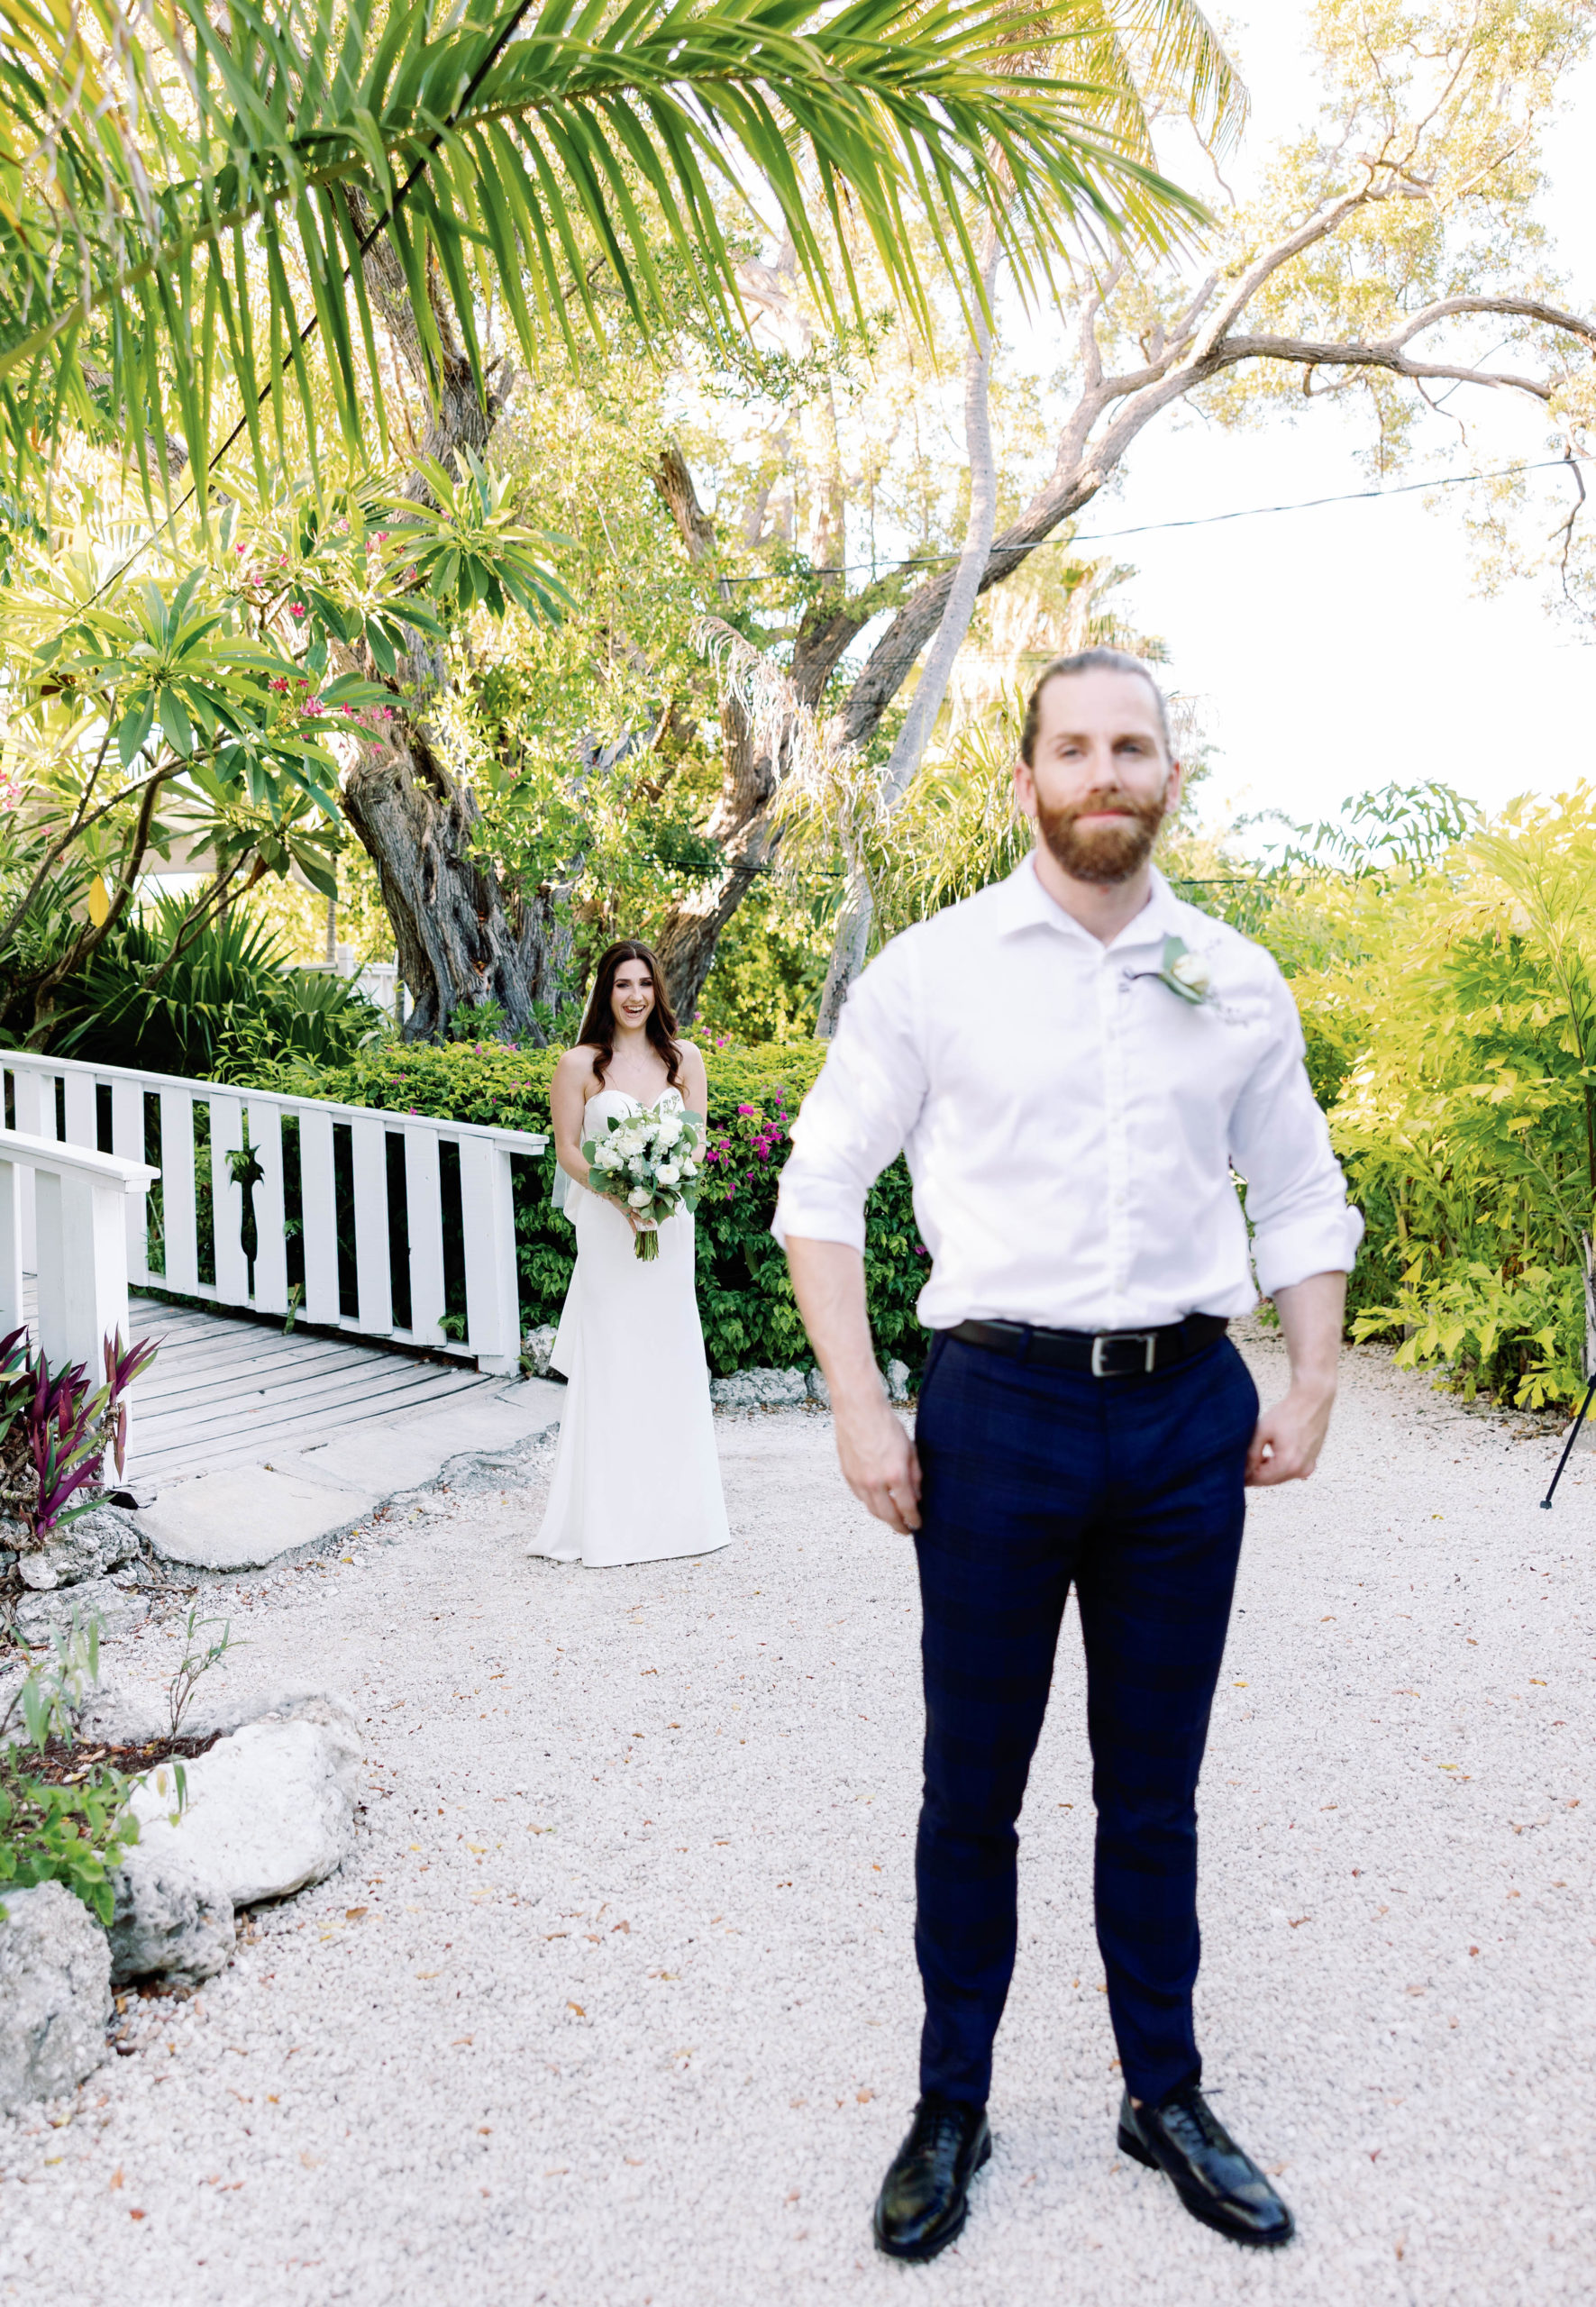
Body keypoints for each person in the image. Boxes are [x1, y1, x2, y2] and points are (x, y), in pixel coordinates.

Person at [775, 648, 1363, 2263]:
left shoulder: (1234, 977)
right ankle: (950, 2099)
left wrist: (1305, 1378)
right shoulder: (934, 972)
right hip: (998, 1415)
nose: (1105, 772)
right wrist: (859, 1405)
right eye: (1075, 748)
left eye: (1135, 747)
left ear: (1173, 775)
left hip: (1186, 1415)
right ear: (1025, 778)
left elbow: (1302, 1197)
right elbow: (820, 1189)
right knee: (971, 1788)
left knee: (1152, 1789)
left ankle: (1158, 2088)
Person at [529, 940, 730, 1569]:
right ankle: (610, 1527)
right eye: (622, 984)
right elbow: (568, 1151)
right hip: (608, 1230)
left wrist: (661, 1187)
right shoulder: (579, 1064)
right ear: (605, 993)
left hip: (670, 1230)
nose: (635, 995)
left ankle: (682, 1521)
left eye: (644, 982)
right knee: (615, 1360)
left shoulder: (685, 1059)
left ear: (657, 990)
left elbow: (692, 1145)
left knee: (668, 1356)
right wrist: (619, 1193)